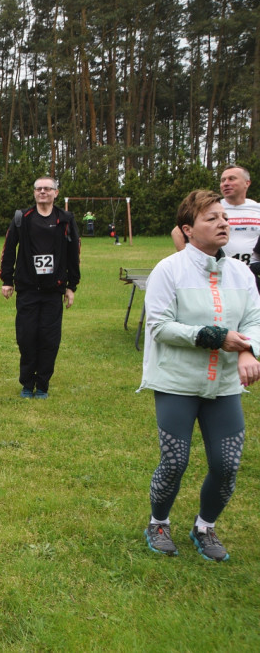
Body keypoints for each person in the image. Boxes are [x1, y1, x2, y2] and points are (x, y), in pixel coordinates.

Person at [140, 189, 260, 562]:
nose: (223, 223)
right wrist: (212, 336)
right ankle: (158, 522)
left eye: (224, 217)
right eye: (212, 218)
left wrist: (246, 349)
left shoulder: (241, 273)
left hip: (223, 385)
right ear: (188, 230)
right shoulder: (169, 269)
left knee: (227, 465)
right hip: (177, 381)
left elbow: (254, 320)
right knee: (175, 461)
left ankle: (204, 527)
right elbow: (159, 326)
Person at [0, 177, 81, 398]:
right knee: (26, 337)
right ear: (34, 193)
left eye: (47, 189)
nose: (43, 192)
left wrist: (71, 286)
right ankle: (27, 383)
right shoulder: (22, 219)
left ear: (56, 193)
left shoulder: (65, 220)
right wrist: (7, 280)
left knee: (49, 339)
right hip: (27, 289)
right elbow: (8, 250)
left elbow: (74, 254)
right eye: (39, 189)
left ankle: (42, 384)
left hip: (53, 291)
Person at [171, 166, 259, 266]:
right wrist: (192, 263)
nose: (226, 183)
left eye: (231, 179)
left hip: (251, 272)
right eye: (223, 180)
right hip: (217, 271)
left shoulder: (257, 209)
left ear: (247, 183)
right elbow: (177, 233)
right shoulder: (213, 208)